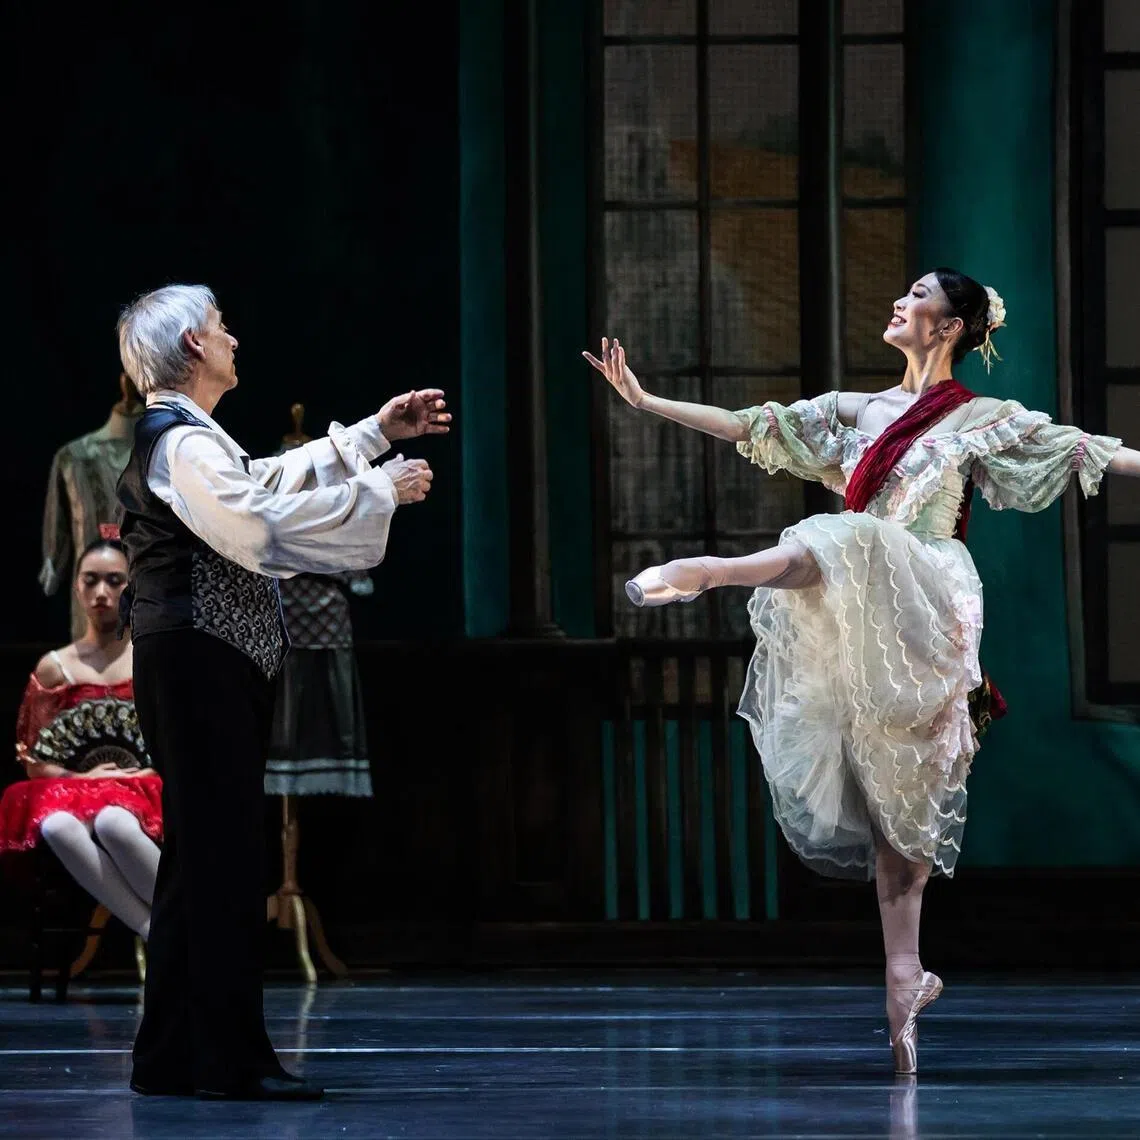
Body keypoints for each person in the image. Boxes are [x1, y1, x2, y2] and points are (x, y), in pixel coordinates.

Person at [586, 268, 1140, 1074]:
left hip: (927, 593)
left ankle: (712, 568)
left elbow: (1099, 454)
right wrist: (647, 403)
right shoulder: (856, 410)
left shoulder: (985, 420)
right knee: (890, 793)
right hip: (857, 602)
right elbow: (748, 425)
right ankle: (904, 974)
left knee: (851, 549)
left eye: (917, 296)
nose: (899, 302)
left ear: (950, 326)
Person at [116, 283, 448, 1101]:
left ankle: (169, 1056)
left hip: (201, 660)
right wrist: (378, 491)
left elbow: (260, 479)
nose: (234, 337)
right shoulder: (179, 442)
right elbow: (260, 524)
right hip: (196, 661)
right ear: (194, 344)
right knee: (224, 862)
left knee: (200, 863)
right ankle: (227, 1062)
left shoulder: (191, 438)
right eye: (221, 326)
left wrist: (371, 435)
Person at [0, 537, 160, 940]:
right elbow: (33, 755)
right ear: (77, 586)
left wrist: (144, 771)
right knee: (56, 827)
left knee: (114, 822)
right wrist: (81, 780)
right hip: (76, 789)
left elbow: (182, 737)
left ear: (132, 586)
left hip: (144, 784)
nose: (102, 593)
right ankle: (156, 933)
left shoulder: (151, 659)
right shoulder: (55, 668)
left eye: (114, 581)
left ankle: (184, 924)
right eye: (91, 581)